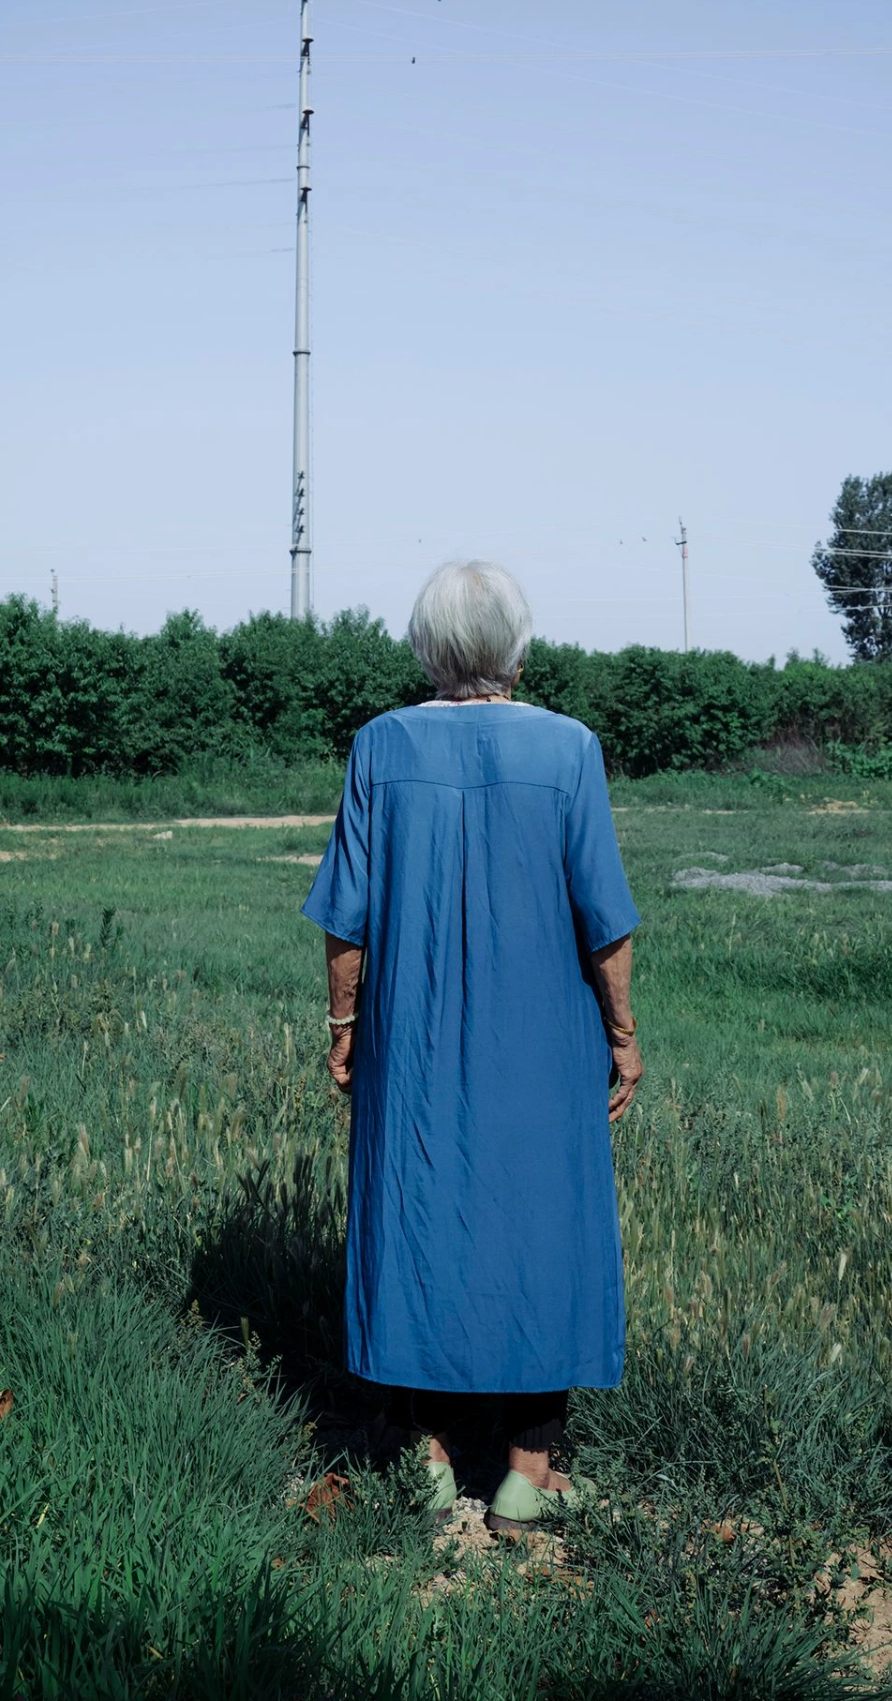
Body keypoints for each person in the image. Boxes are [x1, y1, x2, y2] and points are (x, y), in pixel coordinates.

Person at [302, 560, 643, 1535]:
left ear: (427, 647)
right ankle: (529, 1476)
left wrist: (344, 1030)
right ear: (517, 649)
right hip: (544, 1043)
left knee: (420, 1218)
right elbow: (605, 921)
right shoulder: (570, 749)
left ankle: (430, 1460)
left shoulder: (380, 746)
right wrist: (623, 1035)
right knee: (545, 1229)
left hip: (410, 1043)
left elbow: (346, 924)